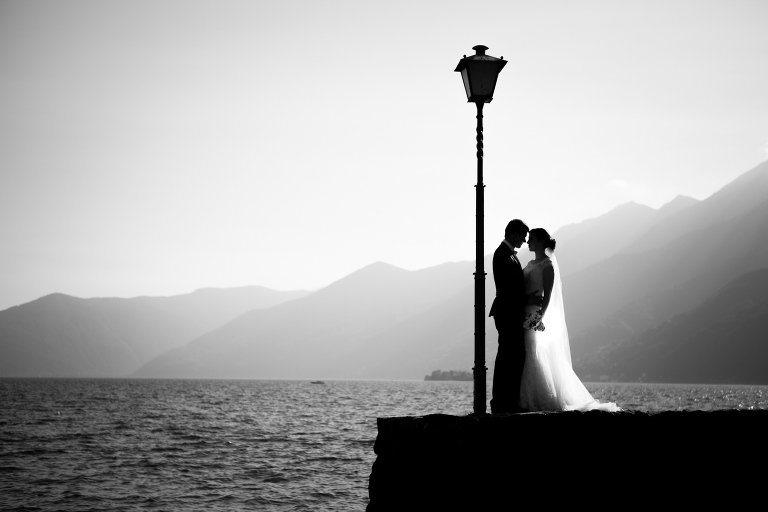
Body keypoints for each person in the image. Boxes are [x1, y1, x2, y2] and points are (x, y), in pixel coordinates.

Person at [518, 228, 620, 412]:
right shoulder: (531, 263)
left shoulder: (547, 266)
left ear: (541, 242)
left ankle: (538, 399)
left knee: (532, 352)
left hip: (533, 313)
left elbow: (549, 294)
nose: (528, 242)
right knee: (527, 352)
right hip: (524, 309)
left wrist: (540, 316)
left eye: (531, 239)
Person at [489, 219, 529, 414]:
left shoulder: (509, 255)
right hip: (507, 312)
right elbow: (509, 287)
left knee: (513, 356)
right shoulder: (502, 254)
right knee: (507, 356)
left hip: (511, 312)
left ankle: (508, 399)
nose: (524, 241)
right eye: (523, 236)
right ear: (514, 234)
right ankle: (501, 401)